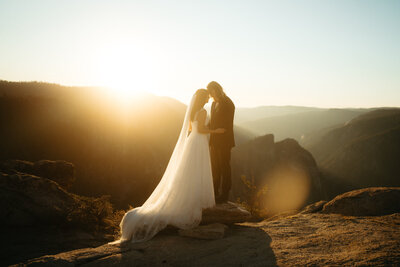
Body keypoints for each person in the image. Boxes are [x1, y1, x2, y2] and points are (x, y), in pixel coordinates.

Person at [109, 89, 225, 244]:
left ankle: (189, 195)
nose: (208, 100)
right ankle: (196, 198)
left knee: (189, 171)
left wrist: (201, 130)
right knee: (198, 170)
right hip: (199, 143)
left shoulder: (193, 111)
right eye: (207, 97)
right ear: (203, 99)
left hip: (192, 141)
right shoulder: (203, 111)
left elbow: (191, 128)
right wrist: (215, 131)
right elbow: (202, 129)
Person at [207, 81, 235, 203]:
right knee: (215, 168)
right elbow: (212, 122)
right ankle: (215, 193)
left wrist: (213, 130)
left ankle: (224, 195)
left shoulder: (228, 103)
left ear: (217, 89)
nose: (210, 95)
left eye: (212, 91)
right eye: (209, 92)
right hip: (214, 140)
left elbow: (226, 126)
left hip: (224, 141)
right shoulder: (213, 104)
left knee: (225, 168)